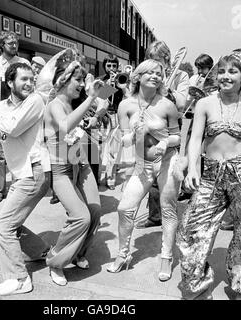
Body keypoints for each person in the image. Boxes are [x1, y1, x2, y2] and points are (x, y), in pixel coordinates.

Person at [176, 53, 241, 300]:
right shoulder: (205, 103)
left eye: (233, 72)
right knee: (191, 231)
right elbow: (196, 138)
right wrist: (193, 167)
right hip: (210, 174)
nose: (226, 76)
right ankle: (197, 287)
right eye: (222, 71)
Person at [0, 62, 51, 295]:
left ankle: (19, 279)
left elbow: (12, 128)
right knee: (11, 223)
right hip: (21, 173)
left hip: (35, 172)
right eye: (23, 79)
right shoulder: (2, 107)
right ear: (9, 82)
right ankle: (42, 252)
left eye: (31, 79)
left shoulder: (36, 101)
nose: (29, 83)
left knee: (3, 226)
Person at [107, 59, 181, 282]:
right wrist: (131, 136)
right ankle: (123, 254)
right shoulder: (125, 105)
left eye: (159, 73)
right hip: (142, 164)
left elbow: (177, 137)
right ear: (138, 76)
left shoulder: (167, 105)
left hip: (168, 161)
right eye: (150, 72)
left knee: (168, 209)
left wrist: (164, 143)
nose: (156, 76)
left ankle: (166, 257)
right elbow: (123, 139)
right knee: (124, 208)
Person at [43, 51, 104, 286]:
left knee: (96, 211)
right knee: (80, 217)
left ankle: (78, 253)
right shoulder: (55, 105)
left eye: (82, 79)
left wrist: (95, 107)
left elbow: (97, 109)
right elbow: (65, 126)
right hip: (61, 171)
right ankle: (55, 261)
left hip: (82, 164)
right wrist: (90, 98)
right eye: (77, 79)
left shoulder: (73, 103)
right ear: (63, 80)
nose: (81, 84)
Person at [136, 40, 190, 229]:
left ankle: (167, 217)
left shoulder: (181, 75)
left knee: (167, 173)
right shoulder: (146, 73)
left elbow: (182, 103)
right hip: (149, 125)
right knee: (150, 170)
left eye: (157, 59)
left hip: (170, 128)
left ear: (166, 59)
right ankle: (155, 215)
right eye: (150, 59)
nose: (153, 64)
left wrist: (169, 91)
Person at [0, 31, 31, 203]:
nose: (14, 46)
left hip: (19, 113)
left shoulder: (24, 63)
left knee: (19, 150)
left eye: (16, 43)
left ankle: (18, 187)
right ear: (2, 45)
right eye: (10, 43)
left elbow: (29, 87)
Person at [98, 54, 130, 190]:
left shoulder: (122, 79)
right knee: (98, 148)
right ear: (104, 66)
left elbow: (129, 98)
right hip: (102, 115)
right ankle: (96, 175)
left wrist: (121, 86)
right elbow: (99, 99)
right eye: (109, 65)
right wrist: (108, 86)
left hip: (117, 115)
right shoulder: (100, 80)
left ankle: (110, 179)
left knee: (114, 150)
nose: (111, 68)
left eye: (114, 66)